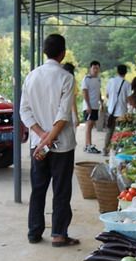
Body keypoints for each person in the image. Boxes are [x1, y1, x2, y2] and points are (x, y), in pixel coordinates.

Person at [20, 33, 80, 247]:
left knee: (38, 188)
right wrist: (49, 139)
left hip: (38, 145)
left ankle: (34, 232)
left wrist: (41, 136)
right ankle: (58, 234)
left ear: (45, 51)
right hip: (61, 145)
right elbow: (63, 116)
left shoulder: (31, 76)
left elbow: (24, 111)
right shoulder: (66, 77)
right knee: (61, 189)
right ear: (62, 53)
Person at [103, 64, 131, 155]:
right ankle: (116, 151)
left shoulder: (111, 81)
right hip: (122, 111)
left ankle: (105, 149)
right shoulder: (127, 84)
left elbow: (107, 95)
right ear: (126, 72)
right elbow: (128, 98)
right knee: (120, 132)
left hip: (111, 110)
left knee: (109, 131)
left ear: (117, 71)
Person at [81, 60, 102, 153]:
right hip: (88, 106)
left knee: (91, 125)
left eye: (97, 68)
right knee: (89, 126)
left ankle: (87, 145)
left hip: (95, 106)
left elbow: (98, 91)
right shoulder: (86, 79)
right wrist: (88, 106)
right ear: (90, 69)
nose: (96, 70)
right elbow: (84, 92)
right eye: (94, 68)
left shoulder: (98, 79)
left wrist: (101, 101)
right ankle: (88, 145)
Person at [62, 62, 80, 128]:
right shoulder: (71, 81)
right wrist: (75, 116)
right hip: (69, 113)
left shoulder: (60, 80)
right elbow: (72, 100)